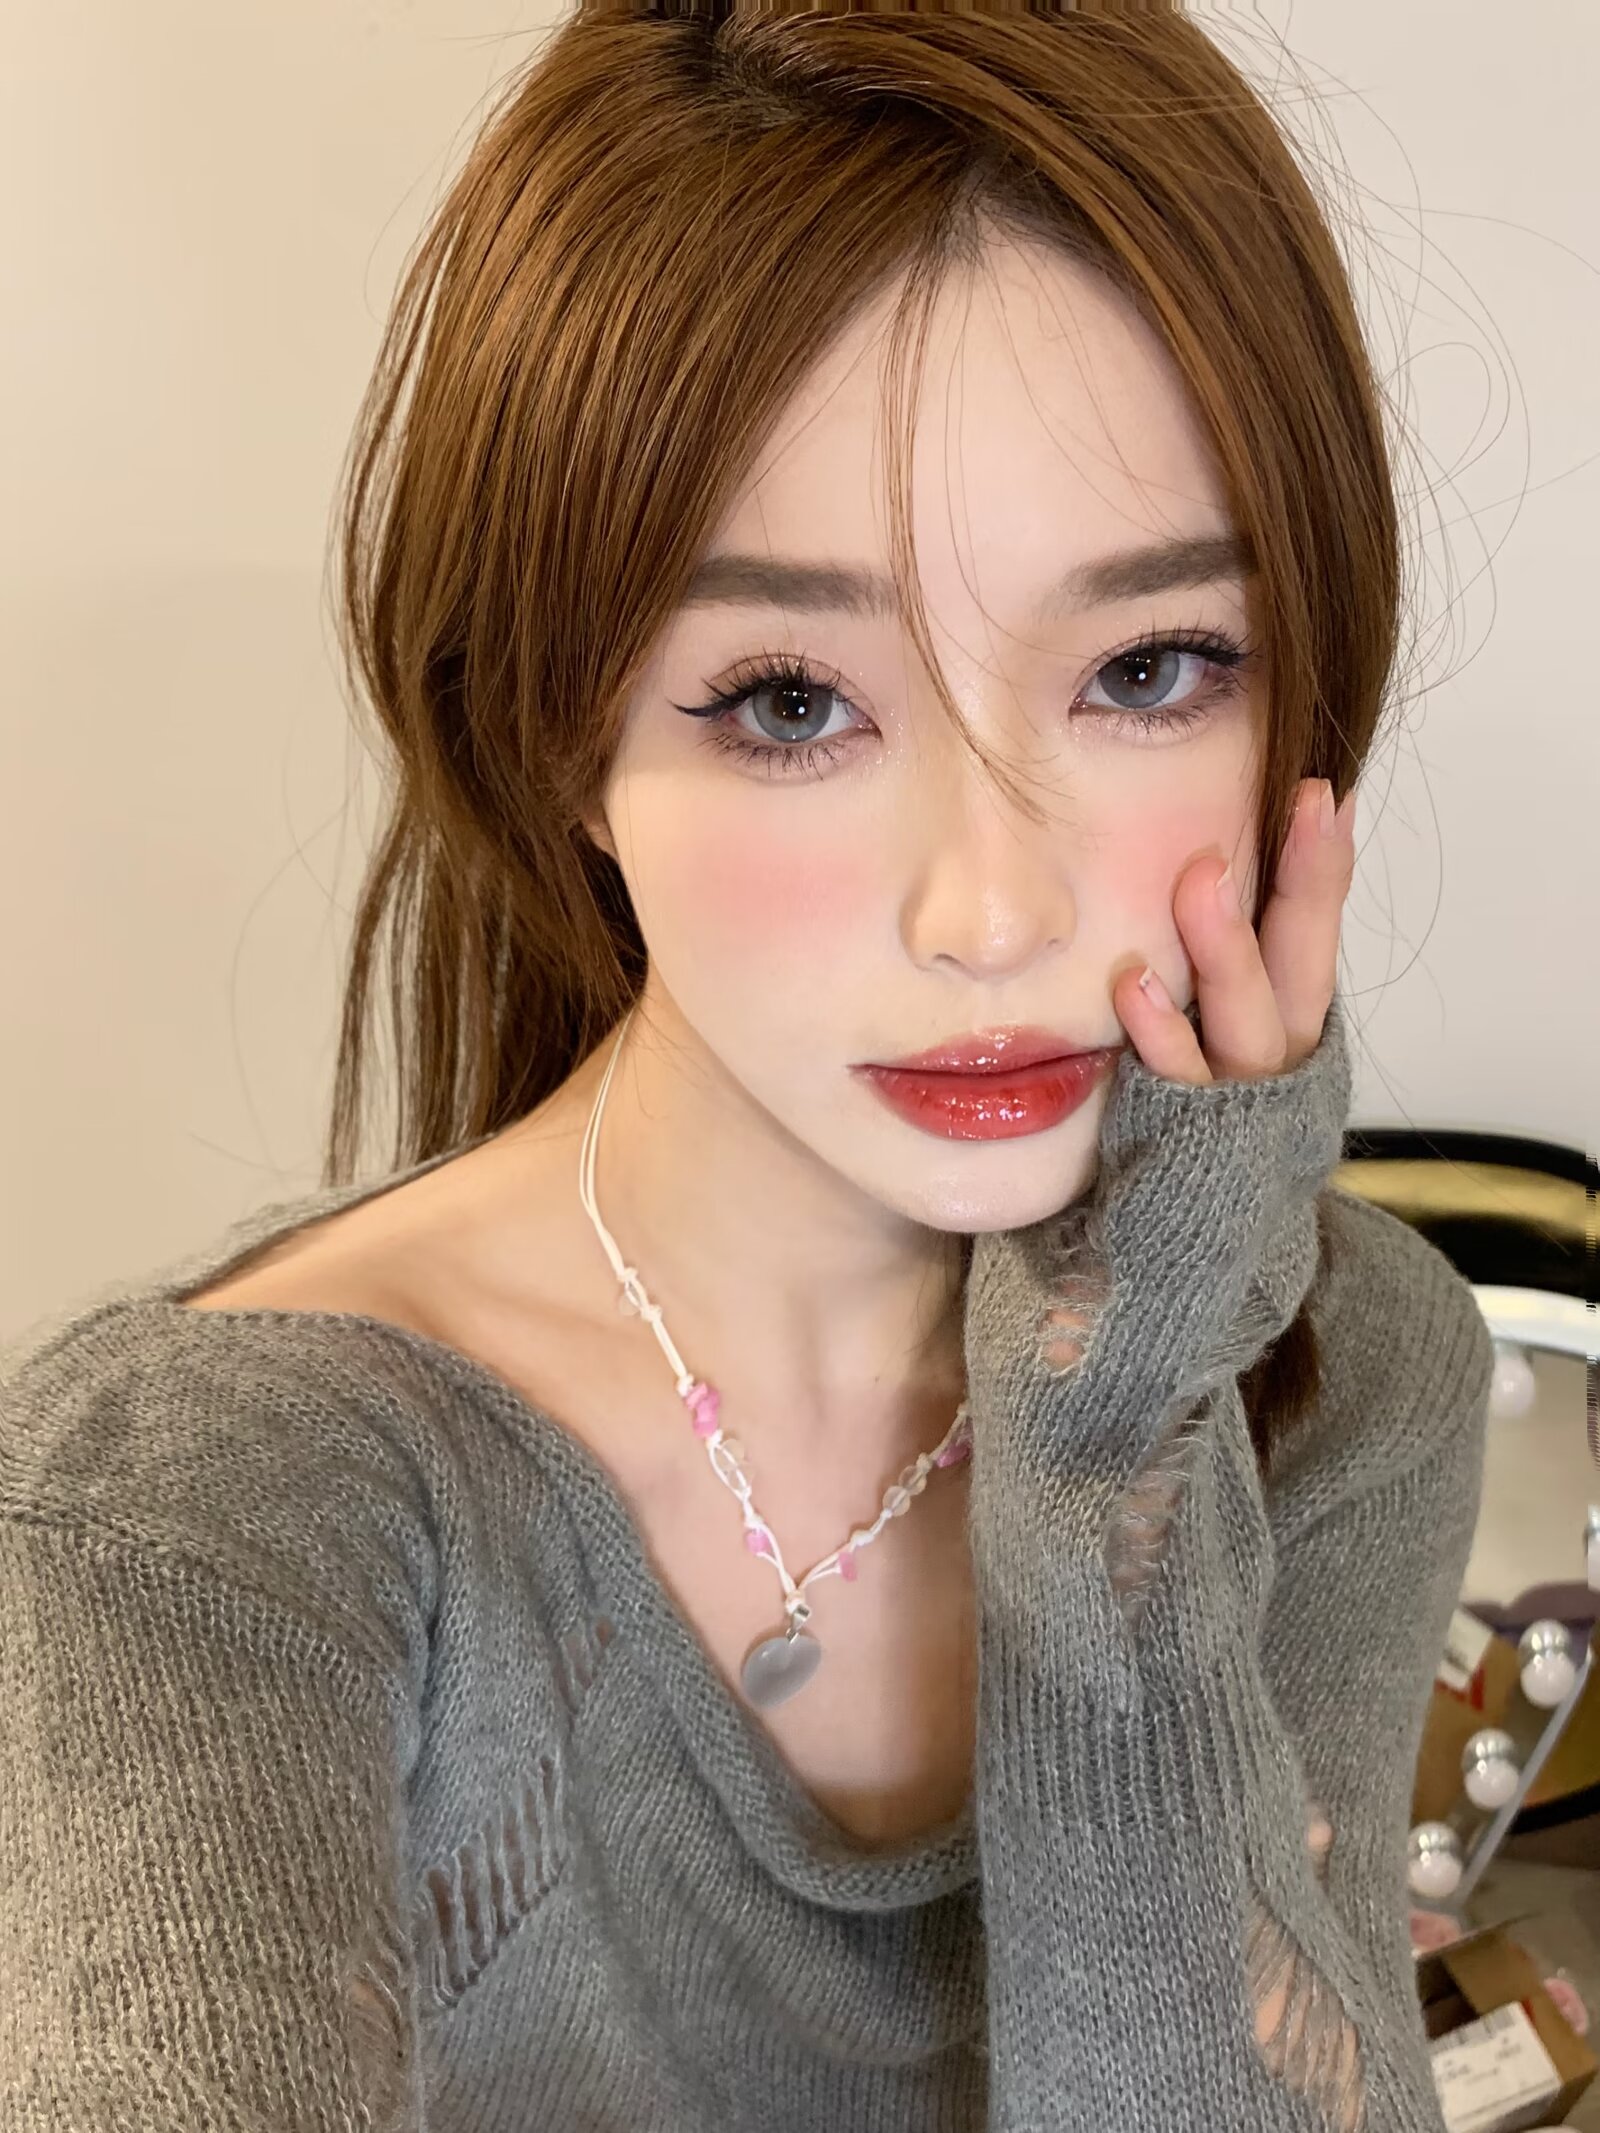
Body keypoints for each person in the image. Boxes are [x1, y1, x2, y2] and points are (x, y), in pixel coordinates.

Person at [0, 4, 1493, 2127]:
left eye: (1148, 668)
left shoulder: (1337, 1368)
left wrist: (1117, 1433)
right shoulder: (201, 1525)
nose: (988, 907)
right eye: (791, 699)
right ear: (557, 736)